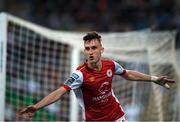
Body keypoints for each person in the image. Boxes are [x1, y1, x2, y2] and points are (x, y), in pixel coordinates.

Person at [19, 31, 175, 121]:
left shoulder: (111, 65)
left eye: (94, 48)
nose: (90, 51)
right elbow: (59, 92)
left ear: (102, 50)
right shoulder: (80, 74)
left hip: (117, 117)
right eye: (87, 48)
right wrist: (36, 107)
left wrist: (154, 79)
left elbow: (127, 74)